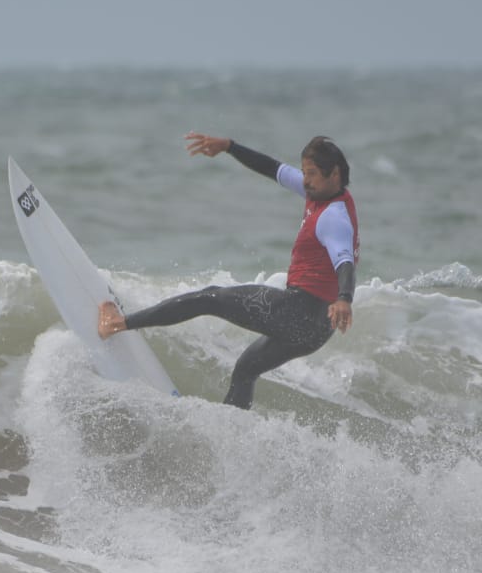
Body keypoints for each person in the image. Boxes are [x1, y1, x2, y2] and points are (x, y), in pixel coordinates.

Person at [97, 131, 359, 409]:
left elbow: (345, 262)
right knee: (246, 370)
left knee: (208, 298)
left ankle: (118, 323)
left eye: (312, 174)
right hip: (317, 329)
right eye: (305, 172)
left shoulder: (334, 217)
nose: (305, 181)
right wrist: (230, 147)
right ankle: (233, 441)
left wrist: (345, 298)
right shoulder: (323, 193)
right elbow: (273, 169)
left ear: (335, 175)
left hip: (299, 312)